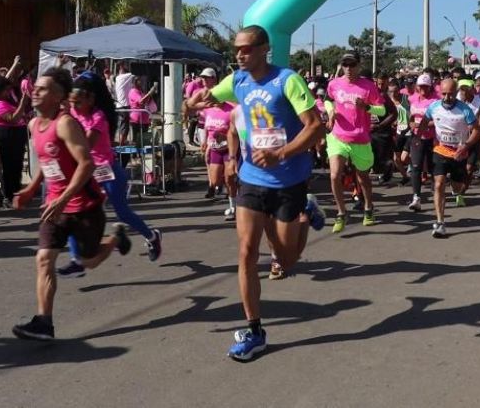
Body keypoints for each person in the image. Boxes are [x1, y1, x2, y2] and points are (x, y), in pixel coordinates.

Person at [191, 25, 325, 361]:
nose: (239, 54)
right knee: (246, 252)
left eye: (247, 49)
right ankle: (254, 330)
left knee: (285, 260)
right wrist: (195, 100)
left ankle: (307, 212)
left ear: (265, 49)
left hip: (288, 181)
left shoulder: (287, 80)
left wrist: (281, 153)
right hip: (252, 179)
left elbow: (315, 126)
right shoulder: (237, 81)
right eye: (237, 48)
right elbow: (210, 97)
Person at [11, 67, 131, 340]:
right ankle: (44, 322)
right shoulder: (33, 125)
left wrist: (64, 197)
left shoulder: (65, 123)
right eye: (35, 88)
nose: (34, 92)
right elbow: (47, 161)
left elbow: (86, 164)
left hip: (84, 206)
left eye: (42, 89)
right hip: (55, 207)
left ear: (57, 96)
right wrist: (31, 189)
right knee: (43, 259)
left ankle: (115, 238)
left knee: (88, 261)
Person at [56, 71, 163, 278]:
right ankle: (76, 259)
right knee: (71, 212)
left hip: (107, 172)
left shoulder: (99, 118)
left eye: (78, 101)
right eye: (72, 101)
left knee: (122, 213)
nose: (75, 105)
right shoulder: (74, 114)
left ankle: (152, 236)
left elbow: (85, 147)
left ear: (91, 98)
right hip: (87, 172)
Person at [325, 52, 385, 232]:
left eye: (352, 65)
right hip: (338, 136)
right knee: (335, 175)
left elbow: (381, 110)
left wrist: (366, 107)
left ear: (359, 65)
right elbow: (328, 100)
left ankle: (368, 207)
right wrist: (330, 112)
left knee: (363, 178)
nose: (349, 69)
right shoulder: (334, 84)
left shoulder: (368, 86)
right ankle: (341, 213)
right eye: (345, 65)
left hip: (360, 138)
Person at [417, 79, 480, 237]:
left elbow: (476, 131)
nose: (447, 97)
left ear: (456, 92)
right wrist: (419, 138)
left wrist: (465, 146)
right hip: (440, 150)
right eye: (444, 94)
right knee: (438, 184)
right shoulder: (434, 107)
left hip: (459, 153)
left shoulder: (464, 110)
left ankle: (456, 189)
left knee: (457, 187)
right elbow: (424, 122)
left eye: (450, 94)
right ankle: (440, 222)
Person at [0, 75, 29, 208]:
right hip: (7, 136)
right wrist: (23, 103)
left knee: (17, 167)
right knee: (9, 167)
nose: (8, 92)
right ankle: (8, 196)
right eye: (6, 90)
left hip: (15, 135)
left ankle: (16, 195)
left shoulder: (6, 101)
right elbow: (12, 118)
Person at [407, 73, 438, 211]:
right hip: (417, 138)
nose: (423, 89)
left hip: (432, 138)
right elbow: (411, 117)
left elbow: (438, 120)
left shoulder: (435, 101)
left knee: (433, 168)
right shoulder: (412, 99)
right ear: (417, 87)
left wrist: (423, 125)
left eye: (426, 86)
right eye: (421, 86)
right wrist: (412, 124)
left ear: (430, 87)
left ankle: (436, 191)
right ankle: (416, 197)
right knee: (416, 167)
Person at [128, 76, 157, 147]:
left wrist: (150, 94)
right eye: (138, 80)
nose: (140, 82)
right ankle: (135, 155)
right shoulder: (133, 91)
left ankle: (141, 156)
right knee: (136, 139)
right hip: (136, 119)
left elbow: (146, 101)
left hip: (144, 119)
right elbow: (141, 101)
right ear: (134, 82)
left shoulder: (141, 91)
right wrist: (149, 93)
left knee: (143, 140)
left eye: (140, 80)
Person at [113, 62, 135, 145]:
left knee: (125, 126)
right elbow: (133, 74)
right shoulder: (123, 77)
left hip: (122, 105)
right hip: (123, 106)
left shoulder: (121, 78)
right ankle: (121, 144)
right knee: (124, 126)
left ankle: (123, 142)